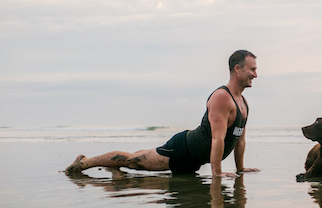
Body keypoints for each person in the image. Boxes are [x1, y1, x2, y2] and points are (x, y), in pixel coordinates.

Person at [65, 50, 260, 178]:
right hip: (183, 150)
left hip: (193, 160)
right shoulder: (222, 97)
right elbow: (217, 139)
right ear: (237, 69)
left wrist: (240, 168)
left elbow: (239, 140)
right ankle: (83, 163)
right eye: (252, 69)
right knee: (135, 162)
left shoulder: (244, 103)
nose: (255, 74)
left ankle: (112, 166)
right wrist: (217, 173)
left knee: (136, 157)